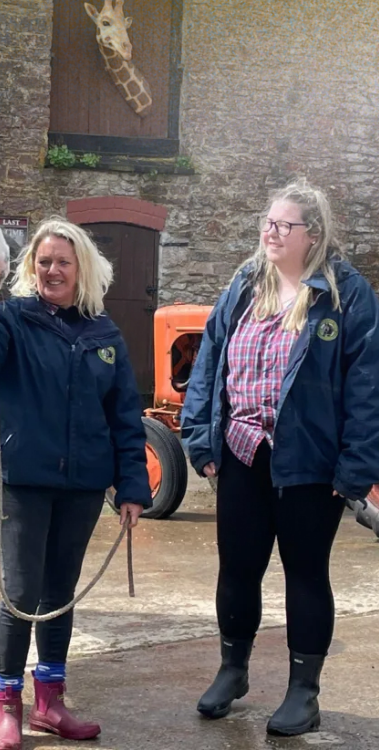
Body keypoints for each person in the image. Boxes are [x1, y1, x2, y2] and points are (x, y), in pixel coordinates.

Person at [181, 178, 379, 736]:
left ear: (311, 234)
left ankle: (303, 692)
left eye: (283, 225)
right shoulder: (246, 283)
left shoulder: (346, 294)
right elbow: (208, 361)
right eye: (267, 222)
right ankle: (233, 670)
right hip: (242, 452)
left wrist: (357, 467)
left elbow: (367, 386)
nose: (270, 232)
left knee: (306, 574)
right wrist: (200, 437)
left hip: (311, 463)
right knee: (237, 568)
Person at [0, 216, 152, 750]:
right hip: (21, 480)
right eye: (44, 262)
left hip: (83, 486)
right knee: (20, 596)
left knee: (59, 594)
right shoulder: (10, 318)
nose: (53, 270)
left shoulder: (104, 333)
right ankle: (7, 707)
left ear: (81, 267)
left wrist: (132, 487)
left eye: (63, 261)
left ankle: (50, 702)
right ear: (31, 268)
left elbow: (124, 417)